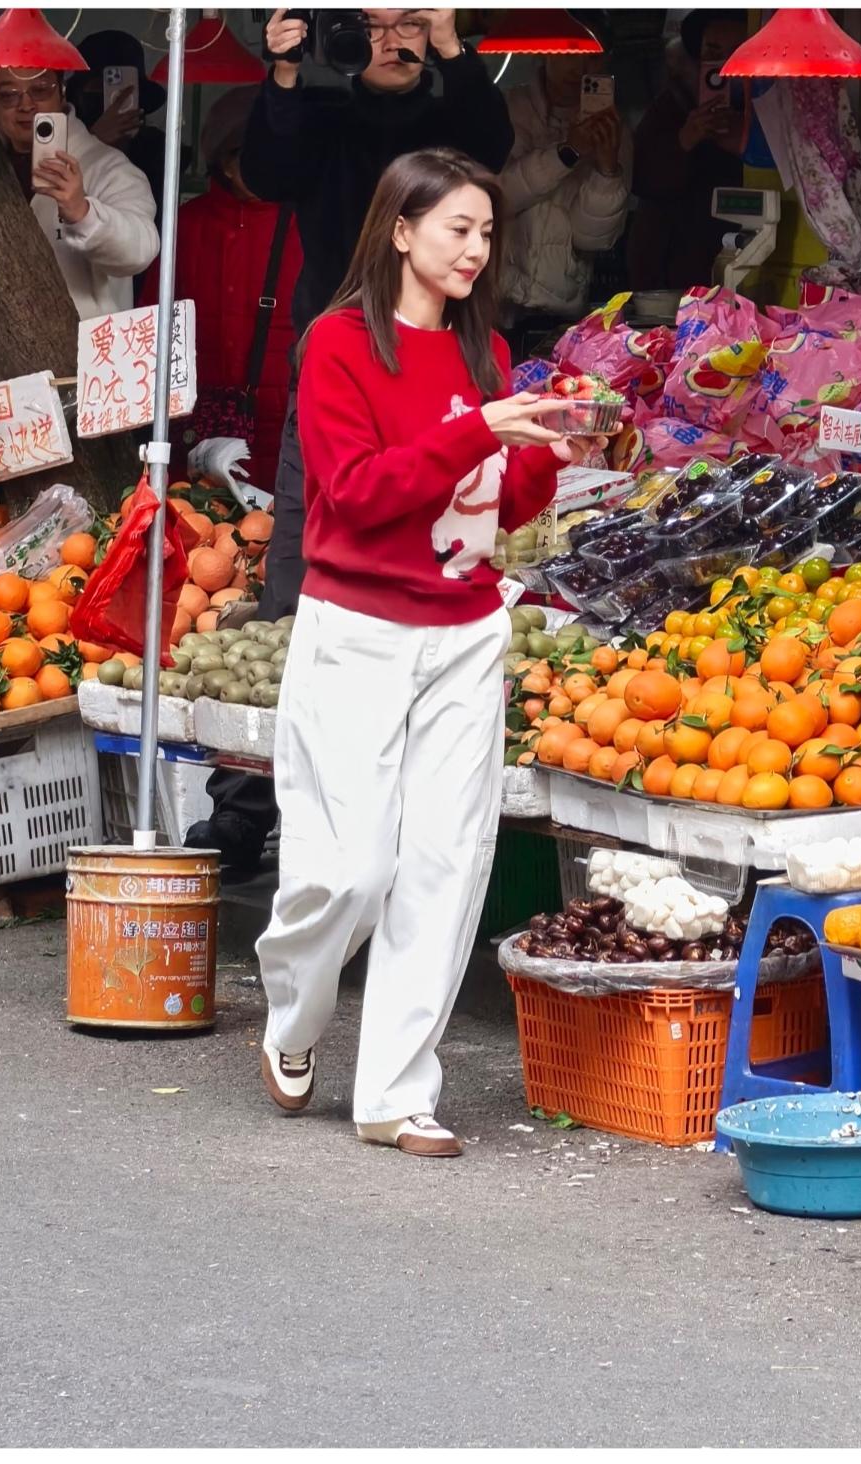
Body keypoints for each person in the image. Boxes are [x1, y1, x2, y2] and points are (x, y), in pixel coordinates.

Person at [256, 149, 601, 1156]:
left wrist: (549, 453)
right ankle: (294, 1016)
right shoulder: (337, 345)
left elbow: (494, 506)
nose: (476, 248)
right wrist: (479, 430)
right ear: (400, 230)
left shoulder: (481, 352)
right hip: (357, 627)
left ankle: (397, 1097)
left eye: (486, 232)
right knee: (352, 870)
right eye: (459, 228)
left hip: (465, 630)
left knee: (447, 869)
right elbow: (355, 493)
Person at [186, 7, 515, 868]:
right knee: (299, 573)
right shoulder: (324, 117)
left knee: (440, 568)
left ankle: (401, 810)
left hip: (444, 370)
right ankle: (251, 803)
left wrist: (452, 42)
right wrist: (286, 72)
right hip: (337, 370)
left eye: (409, 24)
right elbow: (268, 166)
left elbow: (493, 142)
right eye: (371, 26)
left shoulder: (449, 125)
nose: (392, 40)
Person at [139, 87, 303, 492]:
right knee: (199, 533)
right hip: (199, 423)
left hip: (287, 421)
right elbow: (151, 323)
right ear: (224, 164)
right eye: (253, 153)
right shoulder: (187, 224)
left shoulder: (311, 225)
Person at [0, 65, 159, 319]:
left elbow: (140, 250)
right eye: (9, 94)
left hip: (82, 348)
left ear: (62, 92)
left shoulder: (108, 167)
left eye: (40, 90)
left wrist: (82, 213)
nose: (26, 105)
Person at [500, 49, 631, 331]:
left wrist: (606, 171)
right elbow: (497, 198)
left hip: (559, 311)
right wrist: (566, 153)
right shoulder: (507, 108)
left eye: (593, 57)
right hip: (493, 300)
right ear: (546, 52)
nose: (579, 67)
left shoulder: (614, 129)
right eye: (569, 53)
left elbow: (592, 239)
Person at [626, 12, 747, 291]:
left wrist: (746, 143)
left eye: (737, 53)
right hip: (671, 276)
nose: (725, 66)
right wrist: (684, 140)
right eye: (713, 51)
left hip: (746, 266)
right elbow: (639, 179)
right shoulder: (672, 106)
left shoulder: (770, 108)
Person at [66, 30, 170, 243]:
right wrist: (92, 144)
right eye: (98, 86)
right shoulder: (57, 143)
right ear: (79, 94)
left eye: (119, 87)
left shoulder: (161, 150)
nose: (110, 97)